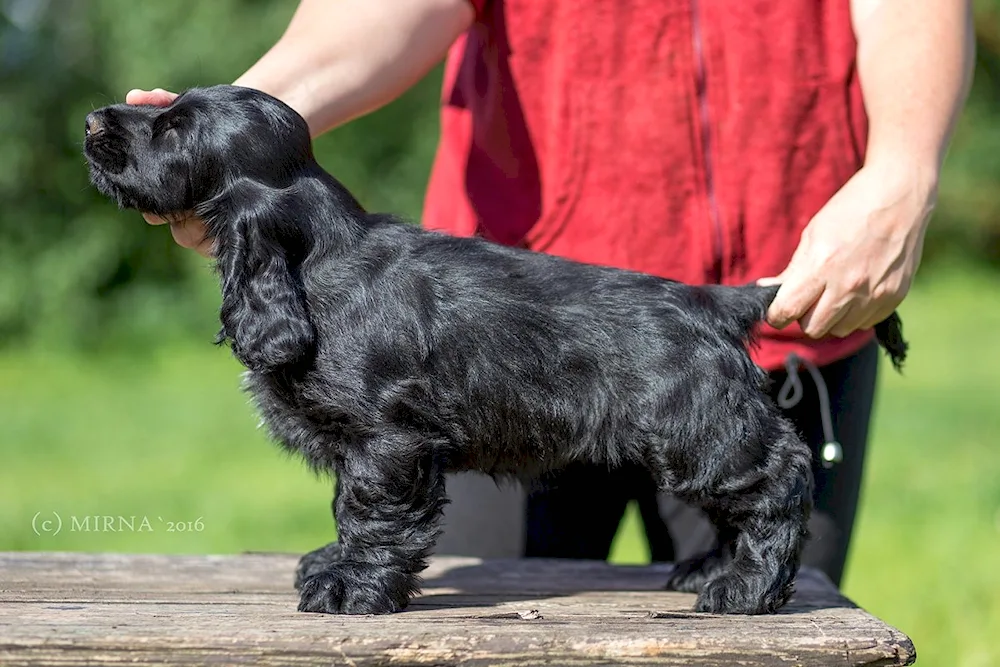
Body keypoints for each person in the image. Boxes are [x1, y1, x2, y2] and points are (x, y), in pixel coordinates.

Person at [128, 0, 973, 587]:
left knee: (773, 621)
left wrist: (903, 168)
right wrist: (241, 126)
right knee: (482, 645)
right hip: (490, 334)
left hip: (790, 290)